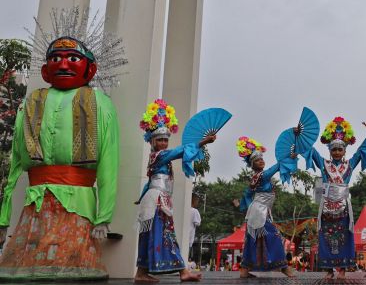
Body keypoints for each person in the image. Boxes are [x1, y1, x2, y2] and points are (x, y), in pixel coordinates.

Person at [0, 35, 120, 280]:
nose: (63, 65)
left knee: (70, 269)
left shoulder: (100, 103)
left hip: (78, 204)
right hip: (37, 204)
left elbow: (109, 160)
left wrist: (104, 216)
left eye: (73, 59)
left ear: (91, 69)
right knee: (31, 270)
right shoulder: (32, 101)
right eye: (56, 59)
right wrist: (4, 216)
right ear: (45, 71)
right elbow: (15, 161)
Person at [134, 99, 216, 283]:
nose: (163, 143)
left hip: (156, 201)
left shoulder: (158, 157)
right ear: (152, 141)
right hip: (157, 203)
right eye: (160, 140)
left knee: (152, 236)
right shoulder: (160, 156)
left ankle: (141, 273)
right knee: (166, 235)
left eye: (165, 140)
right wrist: (203, 142)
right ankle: (182, 272)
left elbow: (149, 182)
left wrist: (140, 199)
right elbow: (179, 152)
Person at [295, 117, 366, 279]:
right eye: (334, 150)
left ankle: (343, 269)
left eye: (340, 150)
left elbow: (361, 151)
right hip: (326, 207)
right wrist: (299, 136)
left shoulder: (350, 165)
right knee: (325, 236)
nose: (337, 152)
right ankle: (328, 269)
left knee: (345, 236)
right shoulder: (324, 164)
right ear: (330, 151)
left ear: (345, 151)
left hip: (344, 208)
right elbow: (311, 150)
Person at [232, 136, 295, 278]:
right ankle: (283, 267)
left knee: (253, 239)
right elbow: (277, 167)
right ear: (252, 165)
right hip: (259, 212)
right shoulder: (263, 176)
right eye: (257, 160)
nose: (261, 161)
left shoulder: (255, 178)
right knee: (274, 236)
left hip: (259, 212)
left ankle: (245, 270)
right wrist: (288, 157)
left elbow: (247, 194)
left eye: (261, 159)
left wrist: (243, 206)